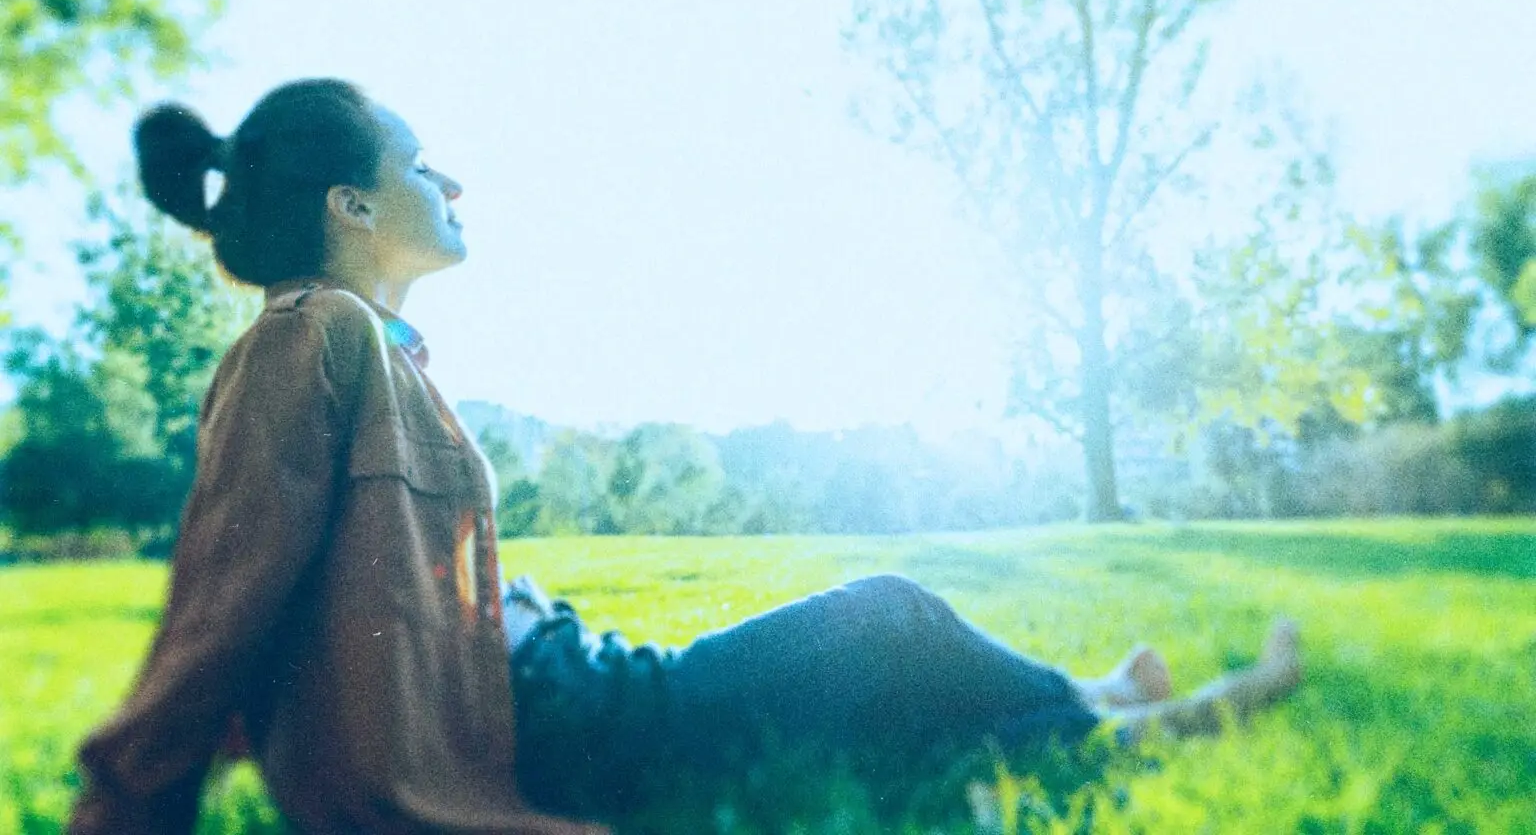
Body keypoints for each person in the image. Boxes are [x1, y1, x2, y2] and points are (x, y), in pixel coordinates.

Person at [68, 79, 1302, 835]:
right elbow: (228, 586)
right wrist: (130, 800)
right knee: (889, 618)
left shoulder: (371, 346)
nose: (450, 178)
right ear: (349, 205)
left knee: (878, 709)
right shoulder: (309, 332)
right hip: (565, 715)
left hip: (570, 686)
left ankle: (1101, 710)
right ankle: (1124, 714)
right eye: (417, 160)